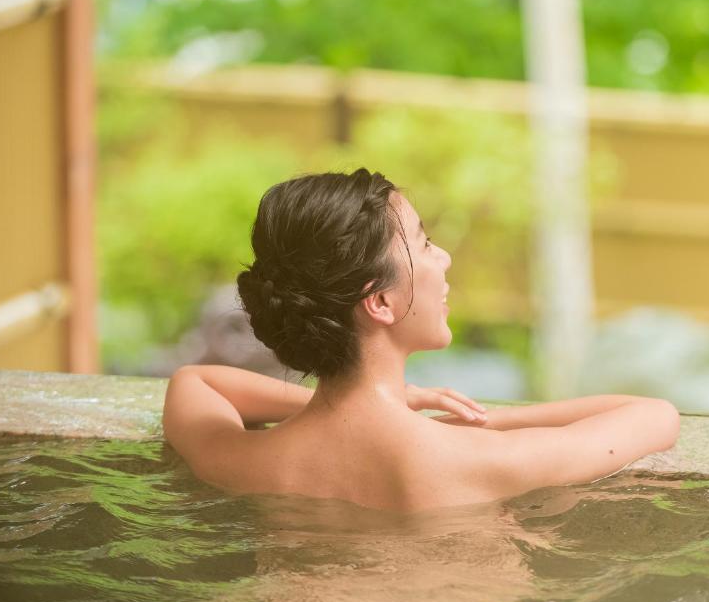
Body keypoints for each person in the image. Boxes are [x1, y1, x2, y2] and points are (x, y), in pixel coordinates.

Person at [162, 169, 679, 511]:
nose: (444, 257)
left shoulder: (245, 462)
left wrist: (372, 403)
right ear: (380, 302)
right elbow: (655, 415)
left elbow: (195, 382)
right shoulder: (474, 459)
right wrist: (491, 422)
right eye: (424, 243)